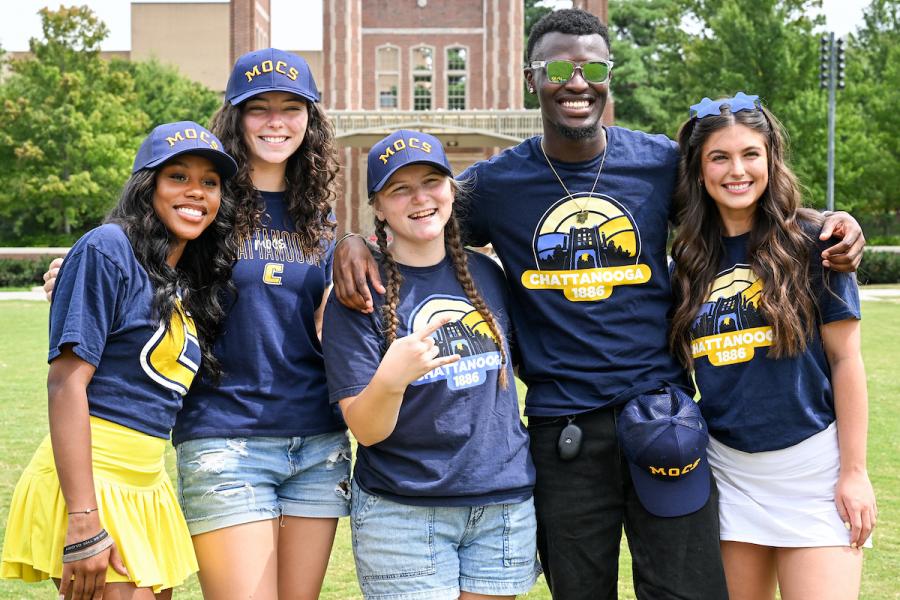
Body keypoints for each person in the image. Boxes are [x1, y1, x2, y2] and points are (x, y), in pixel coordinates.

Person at [330, 9, 867, 600]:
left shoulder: (661, 163)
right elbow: (417, 215)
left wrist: (829, 224)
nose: (577, 81)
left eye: (593, 67)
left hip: (663, 419)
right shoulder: (499, 184)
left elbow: (741, 191)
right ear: (532, 77)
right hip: (565, 432)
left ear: (610, 74)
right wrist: (351, 241)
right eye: (559, 66)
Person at [42, 48, 348, 600]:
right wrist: (69, 276)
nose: (276, 122)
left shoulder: (320, 219)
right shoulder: (208, 202)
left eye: (291, 107)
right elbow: (132, 255)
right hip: (227, 432)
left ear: (311, 119)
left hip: (318, 439)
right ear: (235, 116)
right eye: (259, 108)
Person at [1, 121, 237, 600]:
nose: (196, 192)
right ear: (147, 186)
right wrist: (84, 518)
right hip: (93, 481)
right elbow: (65, 384)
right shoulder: (108, 247)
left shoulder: (182, 276)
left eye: (209, 183)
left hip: (148, 484)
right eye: (178, 177)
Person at [668, 92, 876, 600]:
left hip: (814, 474)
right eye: (719, 157)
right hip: (729, 474)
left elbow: (847, 360)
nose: (736, 170)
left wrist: (854, 473)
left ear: (771, 160)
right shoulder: (688, 260)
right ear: (699, 171)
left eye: (750, 154)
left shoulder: (818, 242)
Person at [322, 130, 539, 600]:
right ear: (378, 206)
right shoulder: (361, 292)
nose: (420, 198)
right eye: (400, 189)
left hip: (501, 506)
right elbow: (366, 429)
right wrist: (392, 378)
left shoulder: (489, 277)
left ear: (451, 190)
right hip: (405, 511)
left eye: (431, 182)